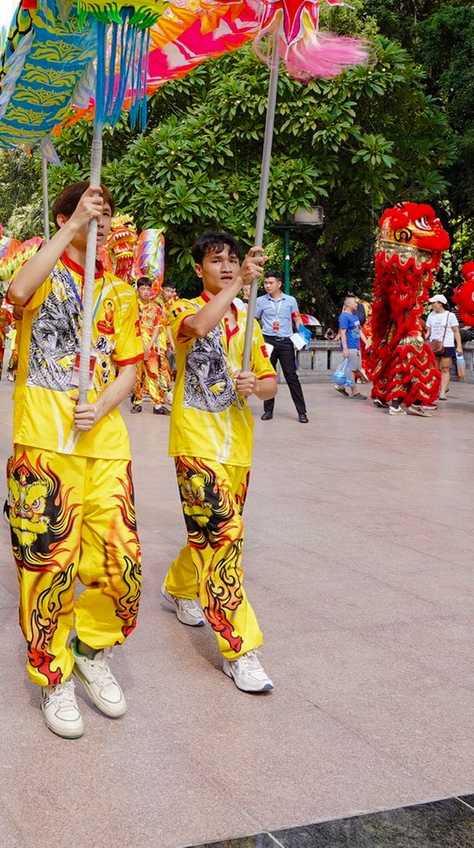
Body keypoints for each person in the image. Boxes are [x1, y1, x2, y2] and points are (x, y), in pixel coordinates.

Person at [4, 182, 143, 741]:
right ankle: (54, 674)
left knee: (122, 565)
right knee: (47, 567)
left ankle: (89, 648)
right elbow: (16, 291)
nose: (103, 220)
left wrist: (102, 405)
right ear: (66, 214)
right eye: (92, 211)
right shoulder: (46, 272)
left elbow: (130, 368)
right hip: (43, 442)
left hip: (104, 443)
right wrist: (68, 228)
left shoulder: (120, 293)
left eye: (108, 213)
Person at [161, 232, 279, 694]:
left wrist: (255, 386)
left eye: (233, 261)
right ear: (199, 270)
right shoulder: (180, 309)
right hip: (195, 443)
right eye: (217, 261)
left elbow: (269, 384)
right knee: (225, 540)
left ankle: (179, 586)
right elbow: (197, 328)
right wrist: (240, 285)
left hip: (238, 448)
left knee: (212, 533)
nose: (227, 267)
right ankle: (240, 650)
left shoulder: (250, 320)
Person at [251, 274, 308, 423]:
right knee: (268, 376)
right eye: (266, 283)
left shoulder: (290, 301)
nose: (267, 286)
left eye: (271, 283)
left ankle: (302, 412)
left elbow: (296, 318)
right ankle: (268, 411)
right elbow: (254, 319)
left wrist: (302, 336)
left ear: (279, 284)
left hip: (286, 342)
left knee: (292, 377)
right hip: (267, 341)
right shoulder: (260, 301)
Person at [132, 277, 173, 415]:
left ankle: (157, 404)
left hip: (151, 347)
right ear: (138, 290)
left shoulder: (155, 308)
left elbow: (157, 327)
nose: (146, 291)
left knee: (154, 373)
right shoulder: (132, 306)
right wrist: (141, 344)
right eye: (143, 288)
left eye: (148, 289)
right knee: (137, 375)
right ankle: (137, 402)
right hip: (135, 346)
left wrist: (149, 346)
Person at [423, 295, 462, 402]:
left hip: (447, 344)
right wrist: (421, 340)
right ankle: (435, 390)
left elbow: (456, 331)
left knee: (445, 368)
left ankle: (443, 392)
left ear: (440, 303)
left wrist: (459, 346)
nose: (432, 305)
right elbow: (428, 331)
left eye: (434, 303)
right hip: (434, 344)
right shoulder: (431, 315)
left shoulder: (450, 315)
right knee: (434, 369)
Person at [333, 296, 367, 398]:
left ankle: (341, 386)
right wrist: (345, 348)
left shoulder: (355, 317)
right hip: (350, 347)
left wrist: (366, 343)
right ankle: (355, 392)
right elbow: (343, 333)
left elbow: (359, 331)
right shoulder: (344, 317)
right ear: (348, 304)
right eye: (354, 302)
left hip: (356, 346)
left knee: (354, 369)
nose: (357, 304)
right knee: (352, 370)